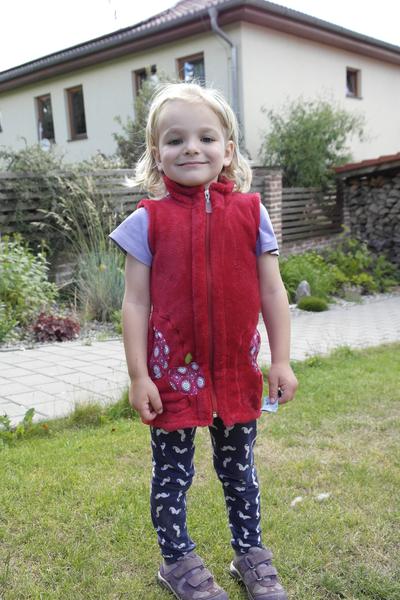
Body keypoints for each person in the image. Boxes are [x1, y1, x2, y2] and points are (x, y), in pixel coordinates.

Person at [109, 82, 298, 600]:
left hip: (236, 373)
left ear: (228, 151)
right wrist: (139, 376)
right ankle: (177, 562)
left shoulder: (253, 213)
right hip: (172, 377)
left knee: (240, 471)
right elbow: (135, 303)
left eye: (206, 138)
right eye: (175, 140)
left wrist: (281, 360)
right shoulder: (146, 222)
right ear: (157, 154)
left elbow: (273, 290)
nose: (191, 148)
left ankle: (250, 553)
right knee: (172, 474)